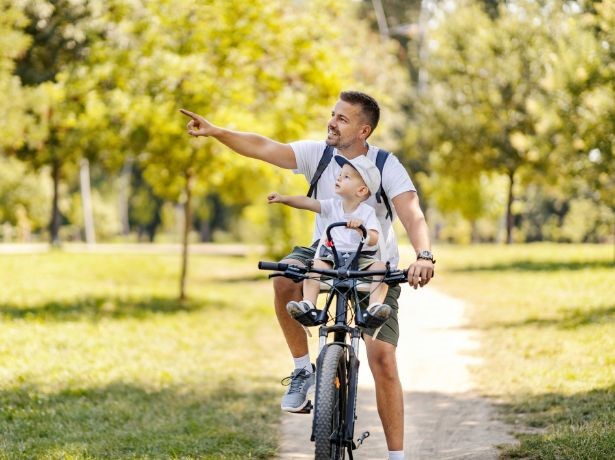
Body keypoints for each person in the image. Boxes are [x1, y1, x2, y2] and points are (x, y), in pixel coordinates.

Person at [180, 90, 435, 460]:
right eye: (333, 114)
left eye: (342, 119)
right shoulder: (319, 154)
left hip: (371, 260)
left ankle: (397, 457)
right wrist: (217, 131)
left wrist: (423, 255)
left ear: (364, 130)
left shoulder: (385, 165)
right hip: (327, 251)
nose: (332, 122)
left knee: (382, 360)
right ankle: (303, 369)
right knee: (285, 276)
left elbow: (411, 213)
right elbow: (263, 147)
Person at [267, 154, 392, 329]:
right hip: (332, 257)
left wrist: (360, 228)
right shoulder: (331, 206)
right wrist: (283, 198)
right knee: (314, 266)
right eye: (340, 175)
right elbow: (307, 202)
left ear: (362, 190)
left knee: (381, 268)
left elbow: (374, 239)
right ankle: (308, 305)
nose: (339, 178)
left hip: (360, 258)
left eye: (346, 177)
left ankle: (373, 308)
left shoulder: (366, 213)